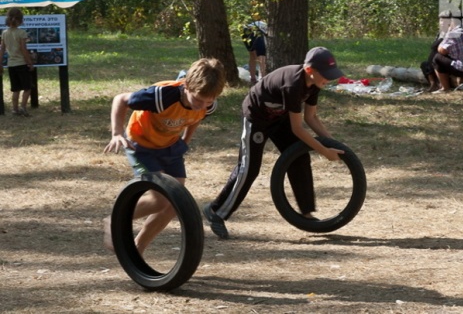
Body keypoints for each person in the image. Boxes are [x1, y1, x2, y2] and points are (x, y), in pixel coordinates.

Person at [203, 46, 345, 239]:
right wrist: (323, 151)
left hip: (279, 116)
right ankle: (216, 211)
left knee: (299, 158)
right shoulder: (293, 84)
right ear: (310, 70)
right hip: (257, 117)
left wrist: (331, 143)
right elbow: (298, 129)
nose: (329, 79)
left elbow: (312, 118)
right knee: (249, 168)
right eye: (326, 74)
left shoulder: (314, 84)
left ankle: (306, 213)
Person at [103, 58, 226, 254]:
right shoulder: (160, 96)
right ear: (187, 85)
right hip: (141, 146)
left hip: (170, 147)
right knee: (160, 199)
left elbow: (197, 116)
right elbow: (121, 99)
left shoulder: (208, 104)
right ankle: (115, 219)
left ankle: (138, 248)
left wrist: (185, 140)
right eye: (197, 100)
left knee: (174, 203)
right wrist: (117, 133)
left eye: (207, 102)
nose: (201, 105)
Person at [0, 8, 34, 117]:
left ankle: (15, 110)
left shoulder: (4, 33)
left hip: (11, 65)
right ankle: (23, 107)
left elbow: (2, 49)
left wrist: (0, 63)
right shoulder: (22, 33)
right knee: (27, 88)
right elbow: (24, 49)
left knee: (15, 89)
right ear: (20, 19)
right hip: (22, 64)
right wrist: (30, 62)